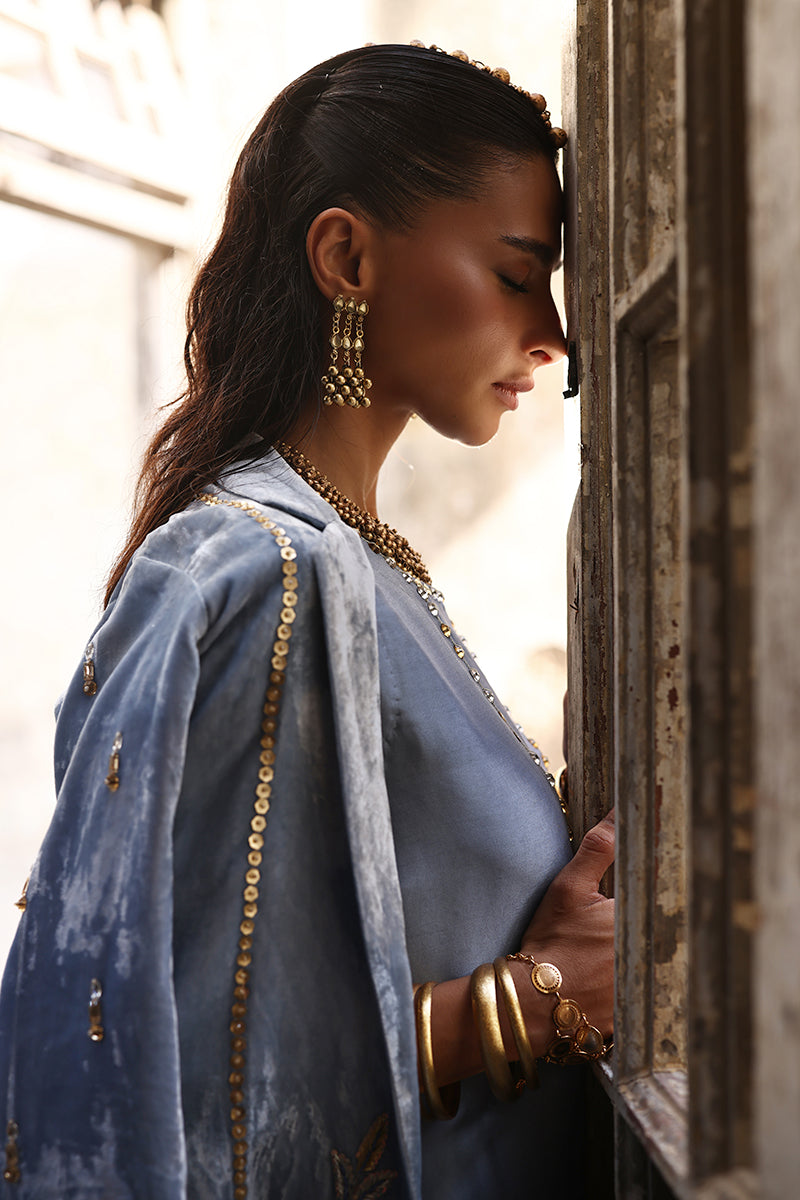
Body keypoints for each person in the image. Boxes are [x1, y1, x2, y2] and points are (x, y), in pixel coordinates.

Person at [0, 43, 615, 1200]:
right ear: (346, 258)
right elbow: (187, 1095)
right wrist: (531, 1001)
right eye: (516, 272)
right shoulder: (263, 570)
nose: (555, 335)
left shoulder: (356, 560)